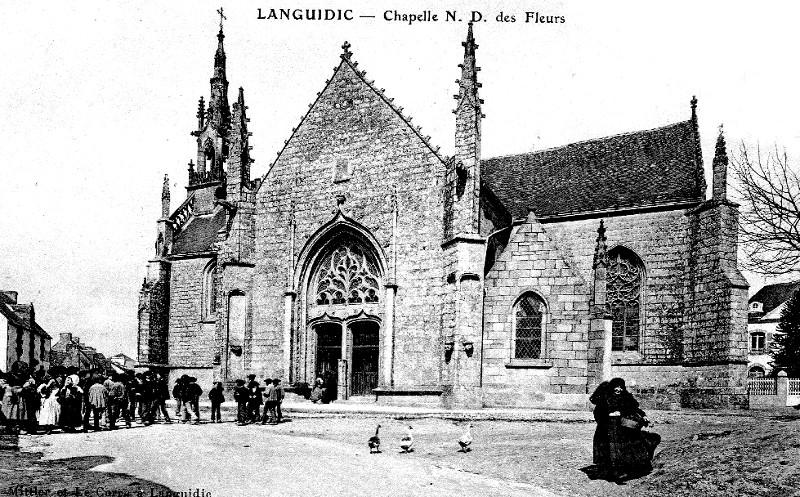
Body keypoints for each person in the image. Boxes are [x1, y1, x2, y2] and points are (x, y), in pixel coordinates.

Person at [590, 377, 661, 482]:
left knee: (626, 449)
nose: (618, 389)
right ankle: (615, 473)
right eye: (616, 387)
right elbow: (597, 414)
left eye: (621, 387)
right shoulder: (605, 398)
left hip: (622, 428)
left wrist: (643, 415)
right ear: (612, 387)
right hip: (607, 430)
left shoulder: (626, 397)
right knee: (611, 451)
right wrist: (608, 415)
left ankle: (625, 471)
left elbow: (634, 409)